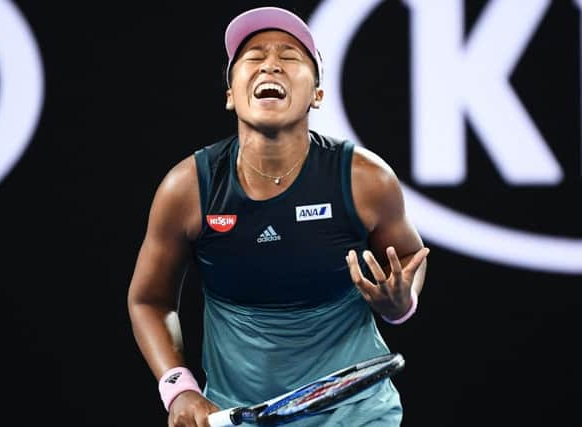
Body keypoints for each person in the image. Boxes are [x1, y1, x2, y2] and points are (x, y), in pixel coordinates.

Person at [127, 6, 429, 427]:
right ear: (231, 93)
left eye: (289, 57)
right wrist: (178, 389)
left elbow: (411, 264)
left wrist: (399, 304)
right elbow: (149, 301)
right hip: (236, 413)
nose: (270, 63)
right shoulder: (188, 189)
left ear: (317, 95)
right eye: (252, 58)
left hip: (356, 413)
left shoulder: (366, 180)